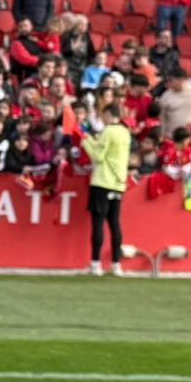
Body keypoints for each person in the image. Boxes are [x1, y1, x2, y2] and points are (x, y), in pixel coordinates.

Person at [81, 103, 130, 276]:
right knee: (114, 223)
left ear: (109, 114)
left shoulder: (108, 131)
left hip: (102, 181)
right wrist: (93, 141)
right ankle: (116, 264)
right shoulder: (125, 132)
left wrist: (86, 142)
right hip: (118, 183)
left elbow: (98, 156)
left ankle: (95, 264)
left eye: (103, 115)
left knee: (98, 223)